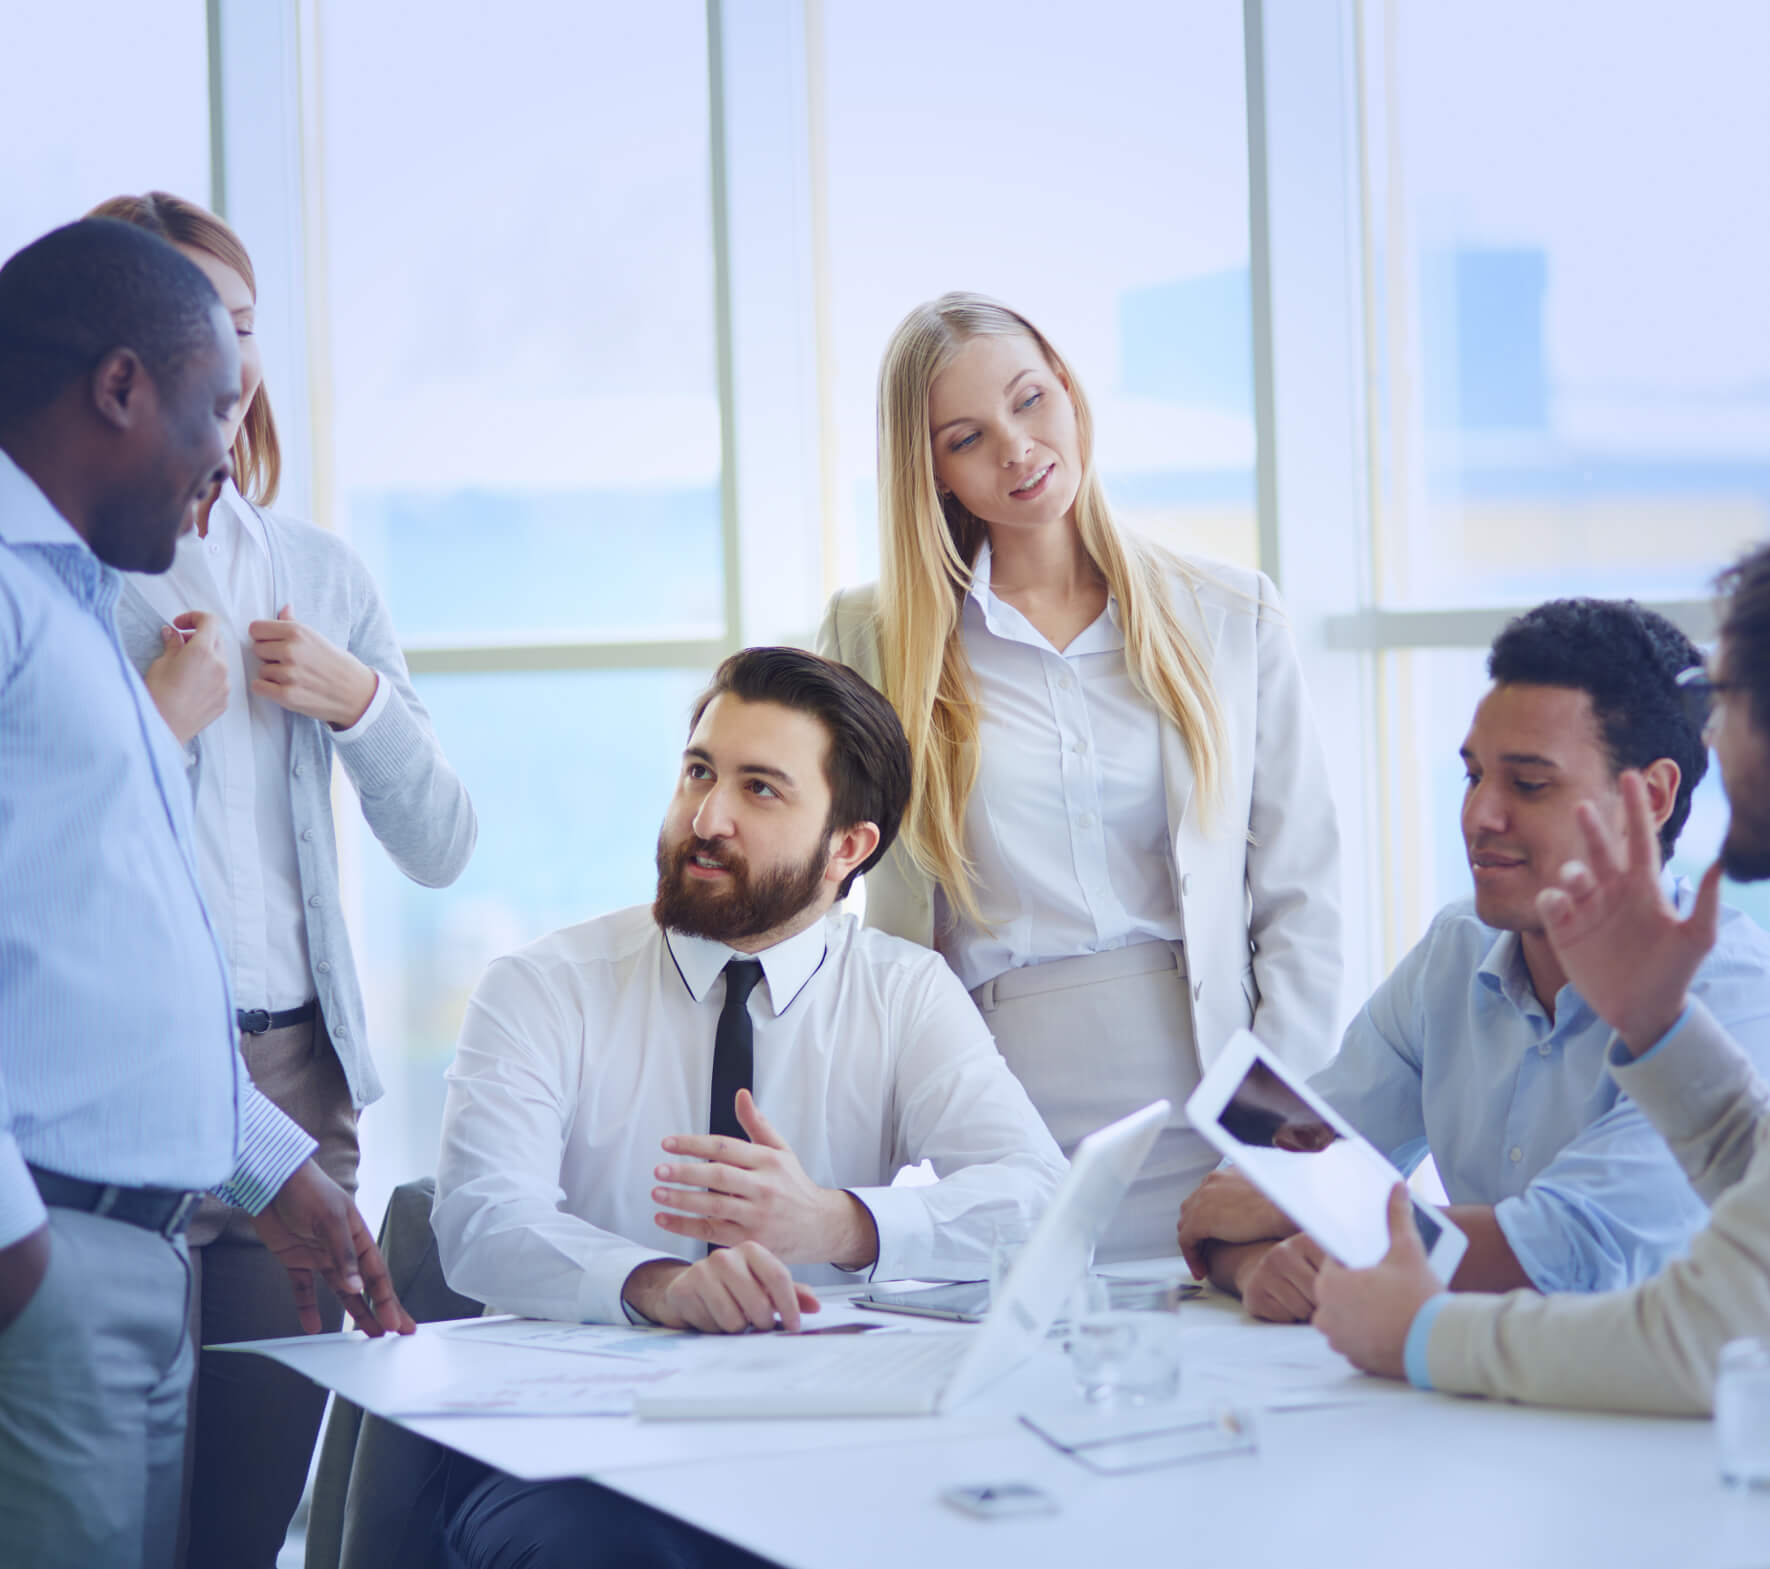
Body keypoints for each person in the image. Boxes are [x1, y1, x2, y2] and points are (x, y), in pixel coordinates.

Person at [433, 645, 1066, 1565]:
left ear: (848, 847)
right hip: (574, 1452)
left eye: (760, 789)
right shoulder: (542, 987)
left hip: (819, 1435)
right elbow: (481, 1222)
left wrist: (838, 1222)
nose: (707, 816)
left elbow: (1040, 1198)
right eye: (699, 771)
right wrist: (658, 1285)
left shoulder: (905, 993)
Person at [0, 219, 412, 1569]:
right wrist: (18, 1253)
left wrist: (273, 1164)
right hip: (48, 1250)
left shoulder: (68, 604)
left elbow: (101, 952)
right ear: (120, 387)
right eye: (213, 406)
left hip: (137, 1237)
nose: (226, 454)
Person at [90, 190, 476, 1569]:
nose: (229, 359)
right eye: (197, 326)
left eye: (244, 327)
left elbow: (442, 846)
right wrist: (165, 712)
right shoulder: (61, 575)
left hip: (297, 1089)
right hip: (117, 1093)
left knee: (244, 1524)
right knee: (104, 1511)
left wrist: (360, 700)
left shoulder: (320, 573)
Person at [819, 292, 1341, 1260]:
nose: (1017, 449)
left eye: (1029, 400)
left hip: (1213, 1097)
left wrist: (1283, 1145)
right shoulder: (873, 639)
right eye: (968, 437)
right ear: (929, 470)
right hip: (999, 1107)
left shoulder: (1231, 615)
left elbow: (1300, 896)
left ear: (1067, 383)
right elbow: (836, 902)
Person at [1179, 598, 1770, 1322]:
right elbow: (1246, 1163)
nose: (1479, 816)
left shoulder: (1731, 989)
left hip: (1656, 1415)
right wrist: (1257, 1263)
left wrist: (1324, 1219)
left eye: (1528, 783)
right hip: (1467, 1395)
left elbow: (1564, 1248)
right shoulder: (1454, 948)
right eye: (1472, 776)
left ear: (1649, 797)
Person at [1314, 547, 1770, 1413]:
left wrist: (1415, 1327)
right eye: (1476, 774)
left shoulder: (1740, 978)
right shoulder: (1468, 943)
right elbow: (1748, 1163)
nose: (1720, 728)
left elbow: (1701, 1335)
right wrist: (1659, 1025)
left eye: (1736, 700)